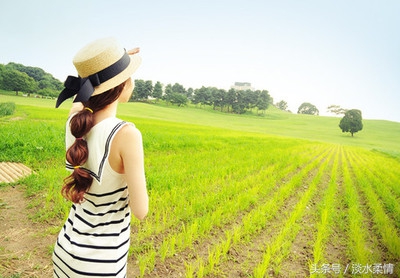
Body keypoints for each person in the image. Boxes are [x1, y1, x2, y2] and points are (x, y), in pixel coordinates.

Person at [52, 37, 149, 277]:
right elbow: (141, 210)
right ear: (123, 84)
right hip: (100, 262)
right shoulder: (126, 134)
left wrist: (111, 62)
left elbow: (81, 101)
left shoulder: (74, 120)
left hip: (65, 250)